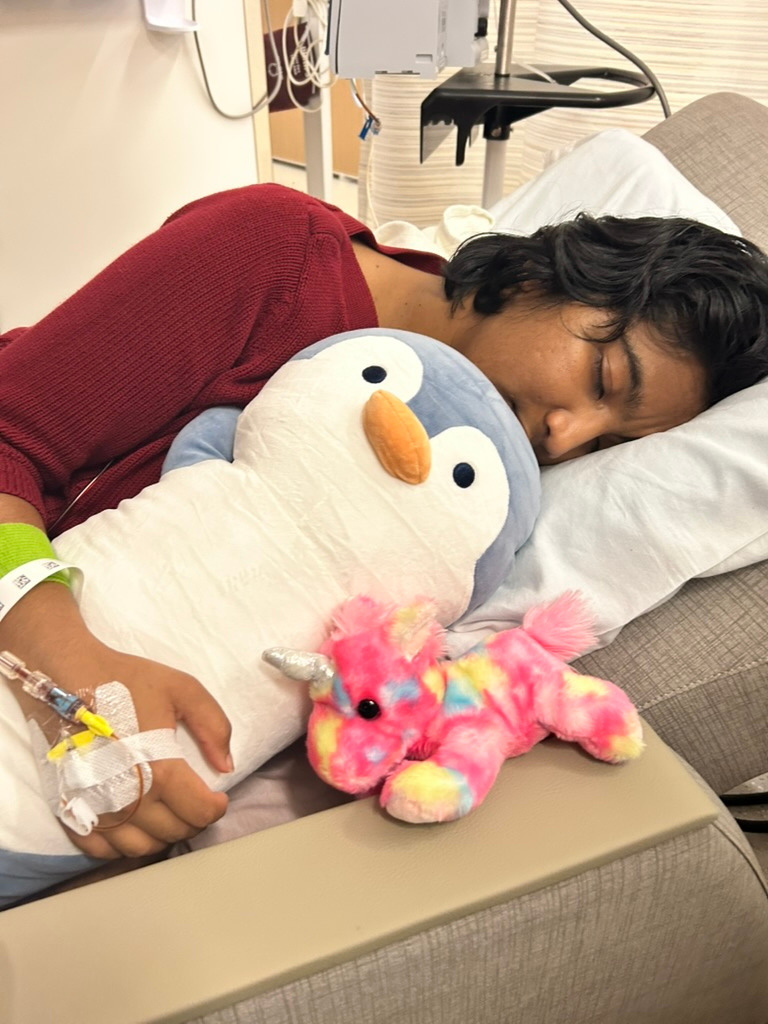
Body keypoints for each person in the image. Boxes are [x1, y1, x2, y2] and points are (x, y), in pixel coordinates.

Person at [1, 182, 767, 864]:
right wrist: (67, 665)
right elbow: (11, 436)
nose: (566, 437)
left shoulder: (490, 506)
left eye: (606, 443)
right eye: (603, 378)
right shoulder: (270, 253)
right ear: (540, 276)